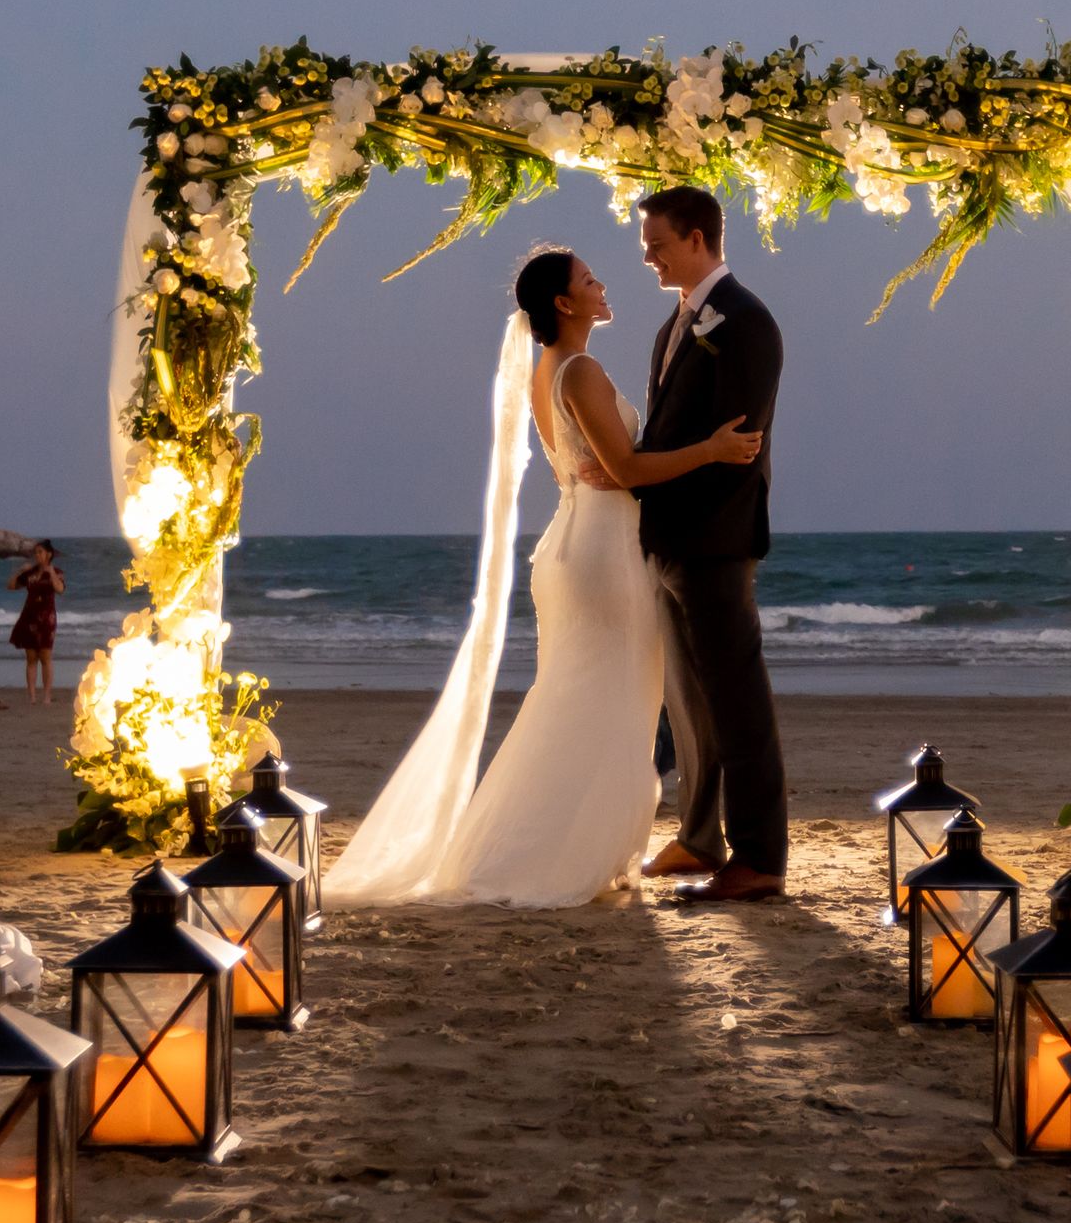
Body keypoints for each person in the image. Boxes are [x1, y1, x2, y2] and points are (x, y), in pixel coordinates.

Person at [329, 245, 760, 907]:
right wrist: (713, 450)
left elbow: (588, 468)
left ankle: (569, 845)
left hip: (573, 540)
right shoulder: (580, 370)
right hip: (603, 551)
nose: (602, 284)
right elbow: (626, 471)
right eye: (589, 279)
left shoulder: (547, 372)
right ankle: (566, 855)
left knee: (577, 699)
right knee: (616, 701)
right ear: (564, 303)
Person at [630, 185, 790, 901]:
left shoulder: (747, 320)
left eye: (658, 244)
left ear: (698, 238)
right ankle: (699, 837)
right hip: (666, 539)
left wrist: (690, 532)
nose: (649, 258)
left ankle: (759, 858)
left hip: (714, 543)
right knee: (688, 704)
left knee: (737, 703)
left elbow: (739, 448)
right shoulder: (677, 323)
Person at [5, 540, 64, 703]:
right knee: (31, 658)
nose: (37, 555)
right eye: (36, 552)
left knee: (45, 656)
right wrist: (20, 571)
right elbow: (11, 586)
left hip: (47, 618)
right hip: (29, 616)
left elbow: (60, 589)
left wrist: (51, 573)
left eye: (40, 552)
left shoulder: (56, 572)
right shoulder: (30, 572)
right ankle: (32, 696)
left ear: (48, 554)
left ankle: (46, 696)